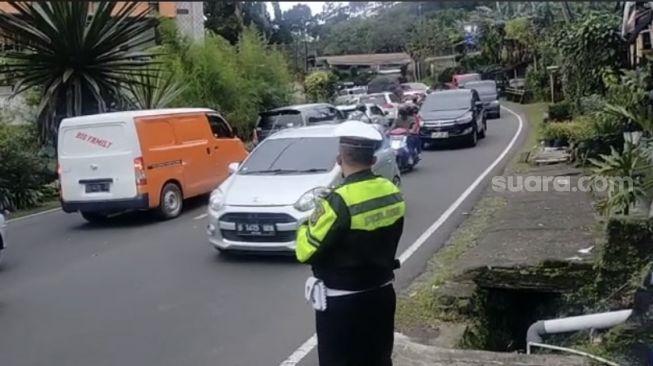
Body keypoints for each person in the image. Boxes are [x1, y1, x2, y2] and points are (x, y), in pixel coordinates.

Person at [296, 121, 406, 366]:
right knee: (378, 359)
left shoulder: (337, 201)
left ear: (340, 158)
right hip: (382, 293)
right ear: (373, 159)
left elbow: (305, 251)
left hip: (343, 303)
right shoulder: (391, 191)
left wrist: (306, 225)